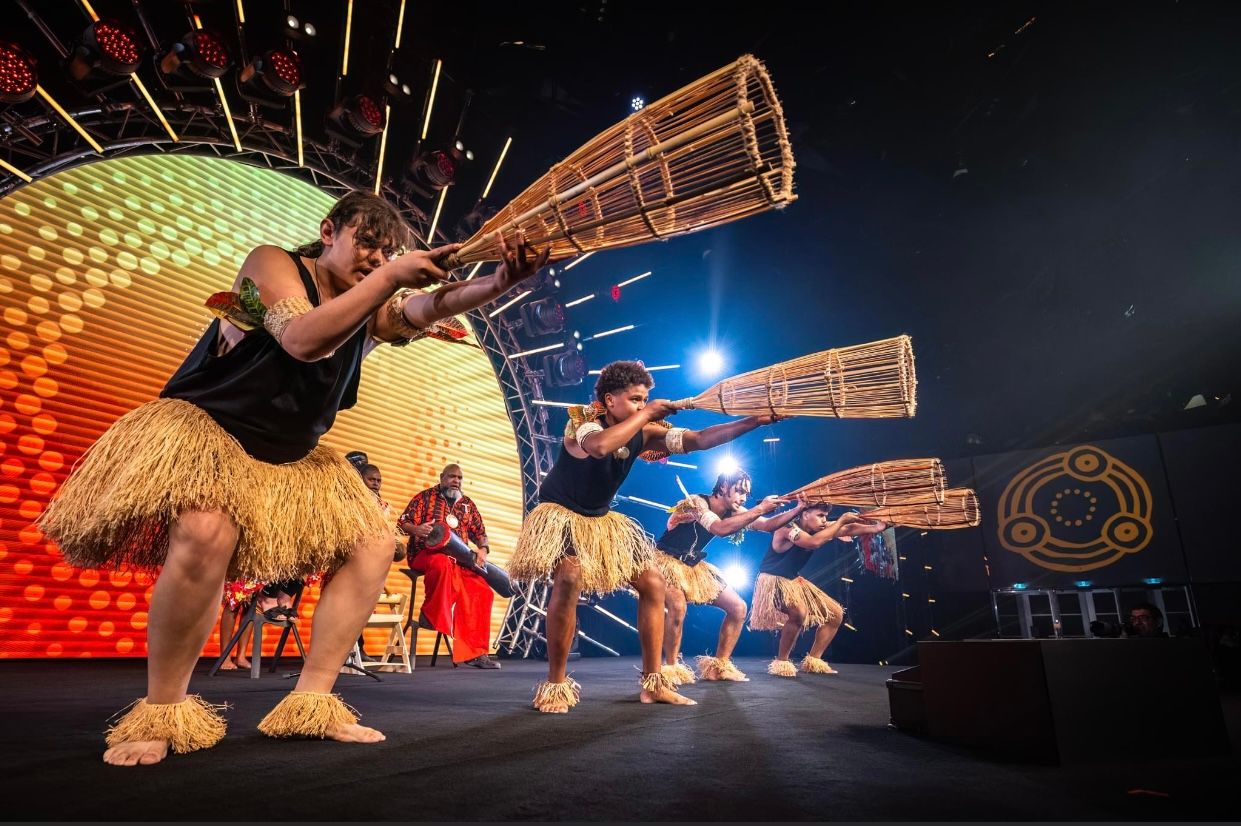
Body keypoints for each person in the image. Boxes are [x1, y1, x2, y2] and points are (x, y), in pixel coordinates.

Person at [38, 190, 548, 765]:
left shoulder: (369, 300)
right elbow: (302, 339)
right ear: (329, 231)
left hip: (293, 458)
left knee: (374, 545)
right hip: (211, 435)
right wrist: (391, 277)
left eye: (388, 256)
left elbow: (428, 307)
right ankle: (160, 712)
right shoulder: (272, 264)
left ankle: (311, 705)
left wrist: (499, 281)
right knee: (207, 532)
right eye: (369, 246)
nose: (377, 262)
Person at [507, 360, 784, 713]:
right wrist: (648, 413)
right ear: (609, 400)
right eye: (635, 399)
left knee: (653, 583)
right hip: (562, 515)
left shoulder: (644, 431)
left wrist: (752, 422)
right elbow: (600, 448)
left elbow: (698, 440)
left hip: (601, 521)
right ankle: (556, 687)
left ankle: (654, 683)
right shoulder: (583, 425)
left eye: (645, 400)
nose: (642, 405)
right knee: (569, 578)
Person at [654, 470, 803, 685]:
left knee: (738, 608)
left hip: (692, 565)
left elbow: (767, 525)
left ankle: (719, 667)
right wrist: (760, 507)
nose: (743, 498)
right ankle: (670, 669)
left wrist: (798, 509)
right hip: (666, 562)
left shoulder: (734, 511)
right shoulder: (697, 502)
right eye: (739, 491)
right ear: (723, 487)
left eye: (746, 494)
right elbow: (719, 529)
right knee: (677, 606)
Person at [750, 504, 885, 677]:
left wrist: (875, 527)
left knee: (835, 613)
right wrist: (841, 520)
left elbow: (848, 528)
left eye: (825, 517)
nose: (824, 520)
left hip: (793, 579)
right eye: (820, 515)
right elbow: (813, 543)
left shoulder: (819, 527)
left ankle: (813, 661)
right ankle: (782, 662)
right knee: (799, 612)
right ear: (805, 514)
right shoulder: (787, 528)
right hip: (772, 580)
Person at [398, 463, 501, 669]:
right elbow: (403, 522)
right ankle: (431, 614)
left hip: (459, 561)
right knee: (442, 562)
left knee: (481, 590)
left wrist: (483, 550)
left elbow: (480, 533)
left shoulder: (467, 505)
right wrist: (417, 529)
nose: (456, 480)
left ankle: (476, 653)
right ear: (442, 477)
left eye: (459, 477)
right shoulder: (424, 498)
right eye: (452, 476)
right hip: (425, 554)